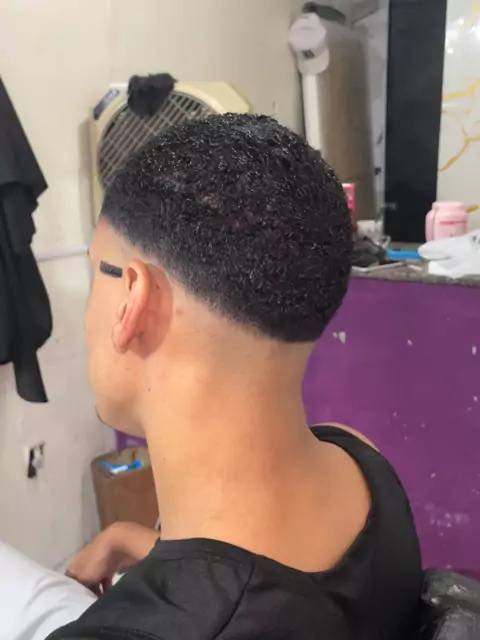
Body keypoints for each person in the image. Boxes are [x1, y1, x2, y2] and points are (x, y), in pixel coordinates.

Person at [7, 113, 422, 639]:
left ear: (133, 299)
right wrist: (131, 538)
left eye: (97, 271)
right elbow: (283, 590)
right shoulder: (363, 464)